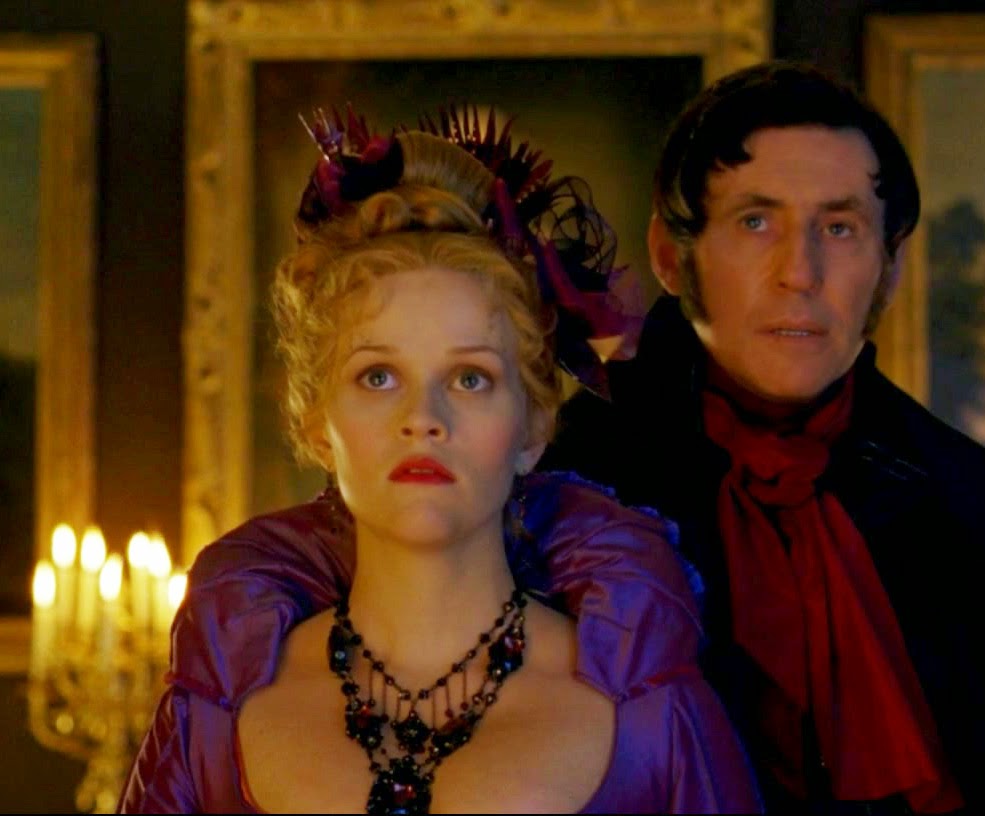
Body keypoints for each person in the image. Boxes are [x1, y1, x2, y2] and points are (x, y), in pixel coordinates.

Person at [116, 106, 761, 814]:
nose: (423, 417)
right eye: (378, 377)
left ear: (532, 427)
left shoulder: (650, 717)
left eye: (469, 379)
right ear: (317, 423)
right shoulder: (215, 715)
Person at [540, 61, 985, 814]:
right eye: (755, 222)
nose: (800, 272)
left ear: (890, 266)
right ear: (670, 254)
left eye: (839, 228)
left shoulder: (959, 501)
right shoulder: (561, 485)